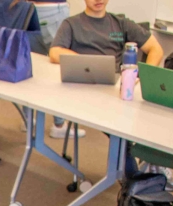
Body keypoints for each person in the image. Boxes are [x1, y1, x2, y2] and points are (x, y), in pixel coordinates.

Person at [48, 0, 163, 140]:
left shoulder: (121, 24)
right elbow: (54, 52)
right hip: (80, 92)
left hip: (113, 94)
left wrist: (143, 77)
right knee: (124, 136)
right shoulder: (71, 24)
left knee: (136, 132)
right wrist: (89, 63)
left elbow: (155, 49)